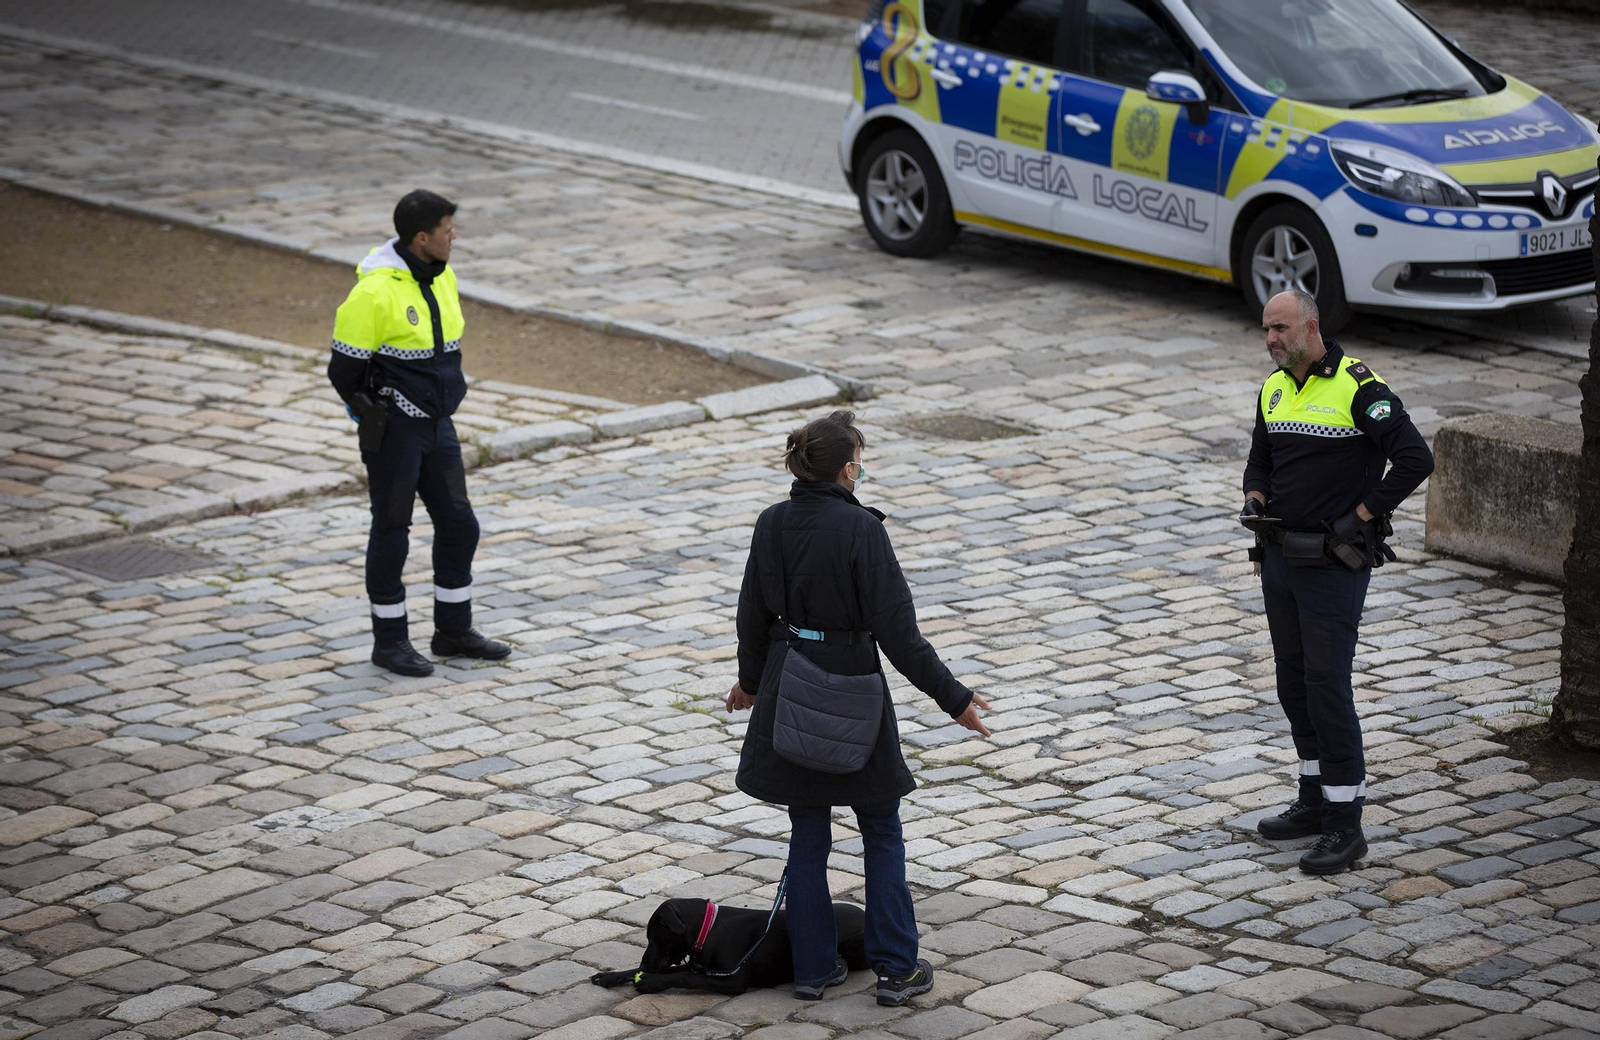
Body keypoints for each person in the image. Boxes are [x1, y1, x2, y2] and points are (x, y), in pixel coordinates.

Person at [726, 410, 992, 1006]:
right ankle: (897, 969)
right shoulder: (862, 532)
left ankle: (814, 969)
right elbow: (898, 634)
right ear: (849, 470)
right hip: (853, 692)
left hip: (789, 684)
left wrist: (749, 684)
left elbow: (751, 616)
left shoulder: (771, 523)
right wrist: (955, 700)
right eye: (861, 461)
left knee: (808, 829)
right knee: (880, 828)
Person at [1242, 289, 1433, 874]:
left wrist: (1364, 517)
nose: (1272, 339)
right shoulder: (1274, 389)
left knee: (1327, 688)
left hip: (1333, 565)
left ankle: (1346, 826)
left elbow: (1414, 458)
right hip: (1280, 559)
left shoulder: (1359, 387)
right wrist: (1254, 496)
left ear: (1312, 328)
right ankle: (1314, 801)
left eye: (1281, 329)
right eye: (1267, 329)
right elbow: (1260, 460)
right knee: (1293, 686)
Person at [327, 189, 509, 677]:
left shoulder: (442, 275)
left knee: (459, 524)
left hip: (438, 426)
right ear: (421, 237)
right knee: (392, 531)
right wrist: (374, 412)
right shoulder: (373, 293)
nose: (455, 238)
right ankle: (389, 643)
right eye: (447, 230)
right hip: (395, 433)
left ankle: (452, 632)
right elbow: (343, 372)